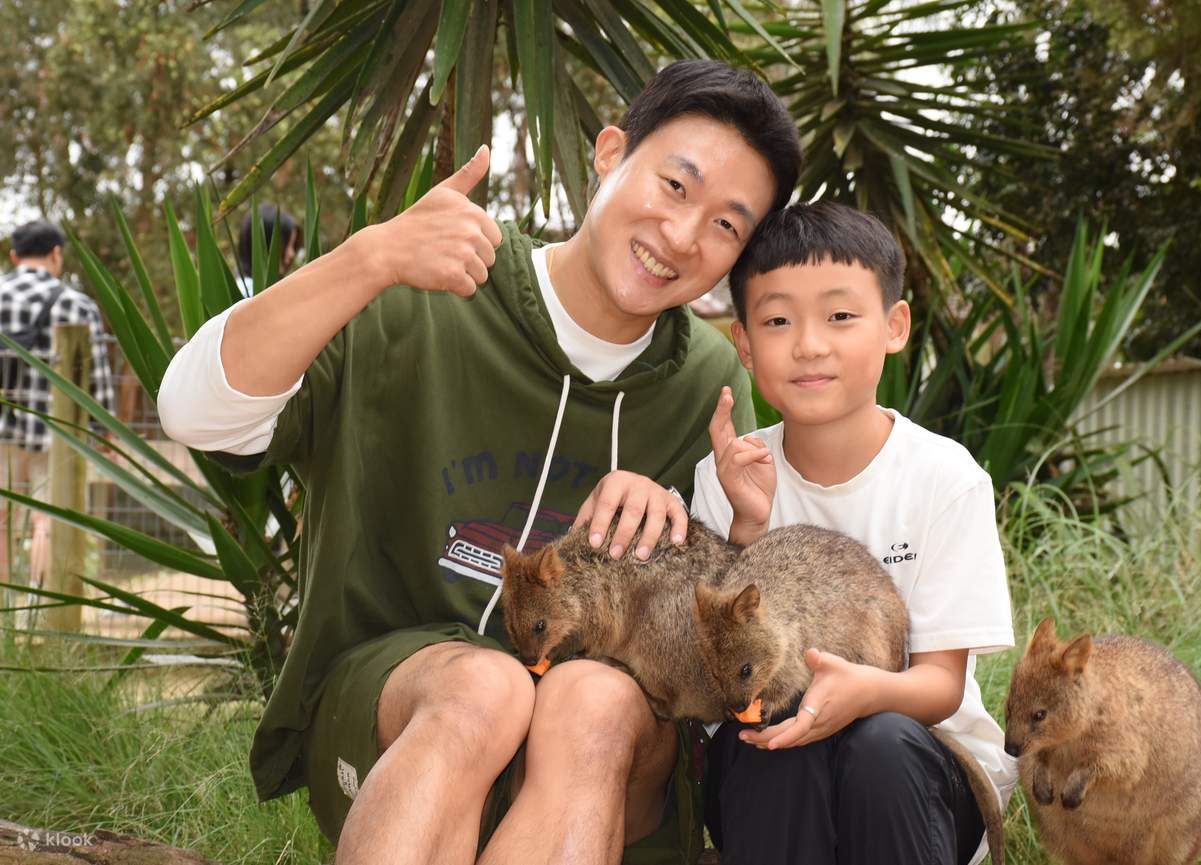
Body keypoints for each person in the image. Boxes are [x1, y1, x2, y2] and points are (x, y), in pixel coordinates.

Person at [156, 60, 801, 864]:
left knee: (593, 698)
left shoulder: (706, 381)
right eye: (674, 186)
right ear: (610, 152)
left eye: (725, 226)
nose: (681, 236)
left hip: (604, 762)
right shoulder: (429, 282)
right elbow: (192, 412)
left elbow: (722, 627)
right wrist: (368, 259)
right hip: (400, 715)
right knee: (483, 688)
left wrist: (680, 534)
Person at [691, 202, 1016, 865]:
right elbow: (716, 679)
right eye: (778, 321)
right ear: (744, 343)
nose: (809, 344)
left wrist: (863, 693)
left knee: (878, 742)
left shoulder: (943, 477)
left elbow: (939, 688)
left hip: (922, 763)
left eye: (839, 316)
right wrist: (746, 524)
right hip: (773, 765)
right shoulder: (724, 476)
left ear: (894, 326)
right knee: (769, 730)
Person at [0, 220, 116, 585]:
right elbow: (97, 373)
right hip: (55, 430)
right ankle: (41, 599)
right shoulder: (76, 304)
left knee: (1, 518)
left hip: (2, 426)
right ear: (55, 254)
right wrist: (105, 429)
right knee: (46, 518)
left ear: (14, 256)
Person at [235, 204, 301, 298]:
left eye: (293, 246)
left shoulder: (273, 291)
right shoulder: (245, 295)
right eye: (287, 245)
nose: (292, 254)